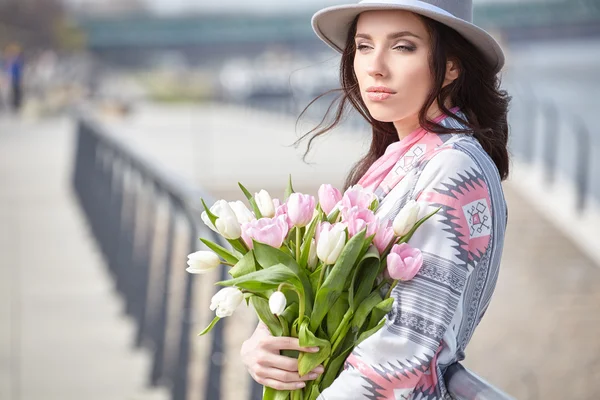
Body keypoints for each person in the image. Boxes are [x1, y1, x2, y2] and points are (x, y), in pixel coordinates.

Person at [241, 0, 510, 398]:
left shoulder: (454, 168)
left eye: (402, 46)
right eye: (364, 46)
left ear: (452, 66)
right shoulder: (394, 160)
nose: (375, 66)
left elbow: (404, 353)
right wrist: (265, 341)